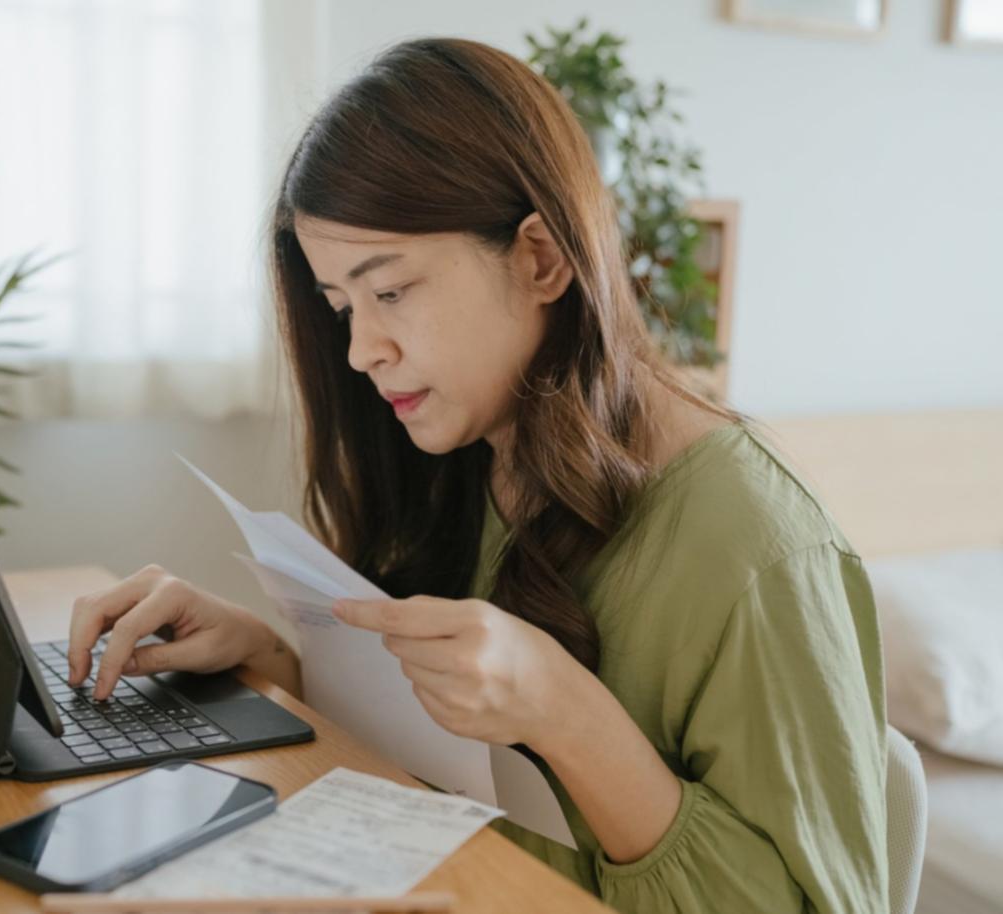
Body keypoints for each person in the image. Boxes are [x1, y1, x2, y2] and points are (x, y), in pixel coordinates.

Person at [66, 37, 886, 913]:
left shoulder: (755, 545)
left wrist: (568, 716)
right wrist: (270, 661)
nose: (358, 351)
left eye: (390, 292)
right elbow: (451, 768)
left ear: (539, 258)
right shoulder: (466, 455)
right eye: (341, 307)